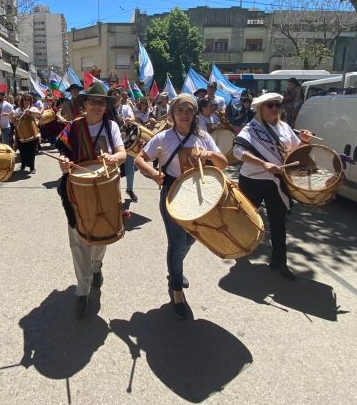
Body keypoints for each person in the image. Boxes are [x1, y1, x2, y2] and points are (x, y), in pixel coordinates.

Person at [134, 94, 228, 319]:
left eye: (189, 110)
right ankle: (176, 288)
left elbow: (223, 163)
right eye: (180, 111)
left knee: (192, 238)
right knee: (177, 244)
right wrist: (154, 174)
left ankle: (174, 268)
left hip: (198, 196)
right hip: (172, 194)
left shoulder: (203, 137)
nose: (185, 115)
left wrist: (211, 154)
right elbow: (139, 159)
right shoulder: (164, 137)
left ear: (194, 113)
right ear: (173, 114)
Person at [55, 82, 126, 318]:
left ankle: (96, 267)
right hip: (77, 190)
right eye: (92, 101)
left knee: (101, 235)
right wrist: (64, 164)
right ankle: (82, 291)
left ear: (106, 106)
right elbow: (62, 156)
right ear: (84, 104)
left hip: (105, 189)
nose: (97, 106)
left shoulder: (111, 125)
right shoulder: (73, 127)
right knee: (78, 240)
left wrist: (112, 158)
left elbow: (122, 153)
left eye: (101, 102)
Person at [232, 92, 312, 280]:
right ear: (260, 109)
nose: (275, 109)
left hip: (276, 181)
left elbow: (295, 150)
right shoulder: (251, 128)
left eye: (277, 105)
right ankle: (241, 249)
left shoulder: (285, 128)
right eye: (270, 105)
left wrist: (305, 142)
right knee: (247, 218)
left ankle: (279, 261)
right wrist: (264, 164)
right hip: (253, 179)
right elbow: (237, 151)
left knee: (279, 221)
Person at [14, 92, 41, 174]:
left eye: (29, 100)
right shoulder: (18, 110)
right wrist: (14, 115)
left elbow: (39, 114)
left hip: (32, 133)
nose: (27, 101)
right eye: (25, 100)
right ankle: (23, 164)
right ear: (22, 101)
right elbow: (13, 120)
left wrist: (30, 112)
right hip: (21, 134)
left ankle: (32, 168)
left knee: (31, 151)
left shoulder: (33, 109)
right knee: (22, 151)